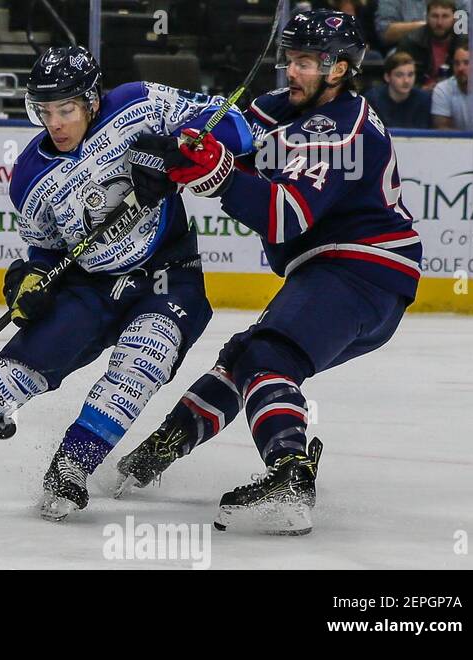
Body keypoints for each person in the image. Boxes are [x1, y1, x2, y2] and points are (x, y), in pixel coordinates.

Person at [0, 45, 254, 522]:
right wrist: (29, 280)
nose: (56, 123)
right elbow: (46, 252)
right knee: (8, 379)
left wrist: (176, 153)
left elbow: (235, 128)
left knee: (143, 359)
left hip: (167, 275)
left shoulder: (139, 103)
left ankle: (72, 465)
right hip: (88, 287)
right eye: (45, 112)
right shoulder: (28, 177)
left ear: (91, 100)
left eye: (65, 110)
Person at [114, 10, 422, 536]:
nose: (293, 71)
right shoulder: (285, 105)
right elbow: (232, 133)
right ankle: (159, 450)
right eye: (291, 60)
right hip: (338, 272)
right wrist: (177, 151)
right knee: (242, 357)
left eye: (307, 61)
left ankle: (290, 475)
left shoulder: (342, 126)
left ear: (341, 68)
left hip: (361, 271)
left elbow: (285, 216)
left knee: (268, 355)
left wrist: (216, 175)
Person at [395, 0, 462, 90]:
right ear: (426, 17)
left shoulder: (463, 44)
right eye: (434, 16)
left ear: (454, 19)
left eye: (445, 16)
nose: (439, 23)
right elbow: (398, 79)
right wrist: (421, 89)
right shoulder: (410, 43)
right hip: (419, 96)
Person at [365, 51, 434, 127]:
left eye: (410, 75)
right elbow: (358, 132)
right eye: (399, 75)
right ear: (387, 77)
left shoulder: (424, 99)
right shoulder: (372, 100)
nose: (406, 81)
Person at [376, 0, 467, 47]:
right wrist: (426, 27)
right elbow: (385, 32)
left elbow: (467, 27)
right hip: (408, 49)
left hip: (453, 48)